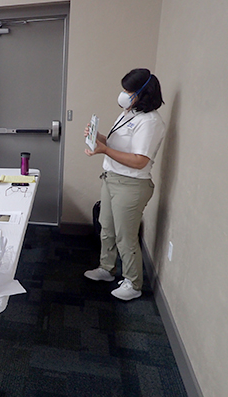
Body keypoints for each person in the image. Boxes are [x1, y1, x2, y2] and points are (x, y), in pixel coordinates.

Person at [83, 68, 166, 301]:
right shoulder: (129, 113)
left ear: (143, 93)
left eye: (128, 91)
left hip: (131, 184)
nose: (124, 94)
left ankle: (133, 283)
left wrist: (104, 150)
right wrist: (97, 137)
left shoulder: (151, 122)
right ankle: (106, 269)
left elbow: (139, 161)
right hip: (111, 178)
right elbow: (116, 143)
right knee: (106, 227)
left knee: (125, 236)